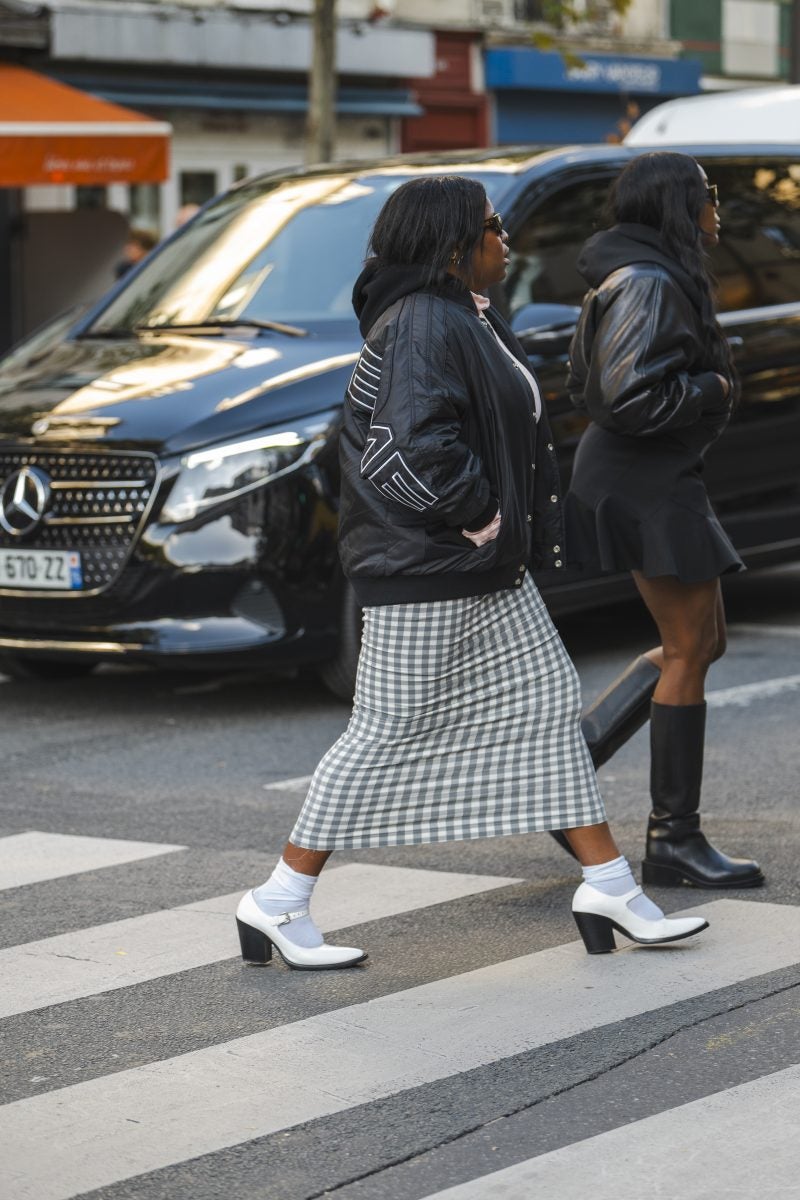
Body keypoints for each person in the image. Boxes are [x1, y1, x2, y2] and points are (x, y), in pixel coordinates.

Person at [235, 175, 709, 969]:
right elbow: (404, 446)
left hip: (480, 567)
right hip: (434, 565)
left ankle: (611, 885)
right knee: (385, 731)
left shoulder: (463, 314)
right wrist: (477, 514)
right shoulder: (422, 321)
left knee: (549, 709)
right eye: (492, 226)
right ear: (454, 244)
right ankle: (278, 898)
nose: (505, 238)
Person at [561, 151, 763, 889]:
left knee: (700, 641)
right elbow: (626, 396)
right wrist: (710, 388)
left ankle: (564, 774)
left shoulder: (643, 273)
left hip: (654, 473)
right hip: (643, 477)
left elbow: (589, 380)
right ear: (680, 204)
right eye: (709, 194)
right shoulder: (646, 280)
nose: (718, 209)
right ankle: (673, 841)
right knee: (688, 648)